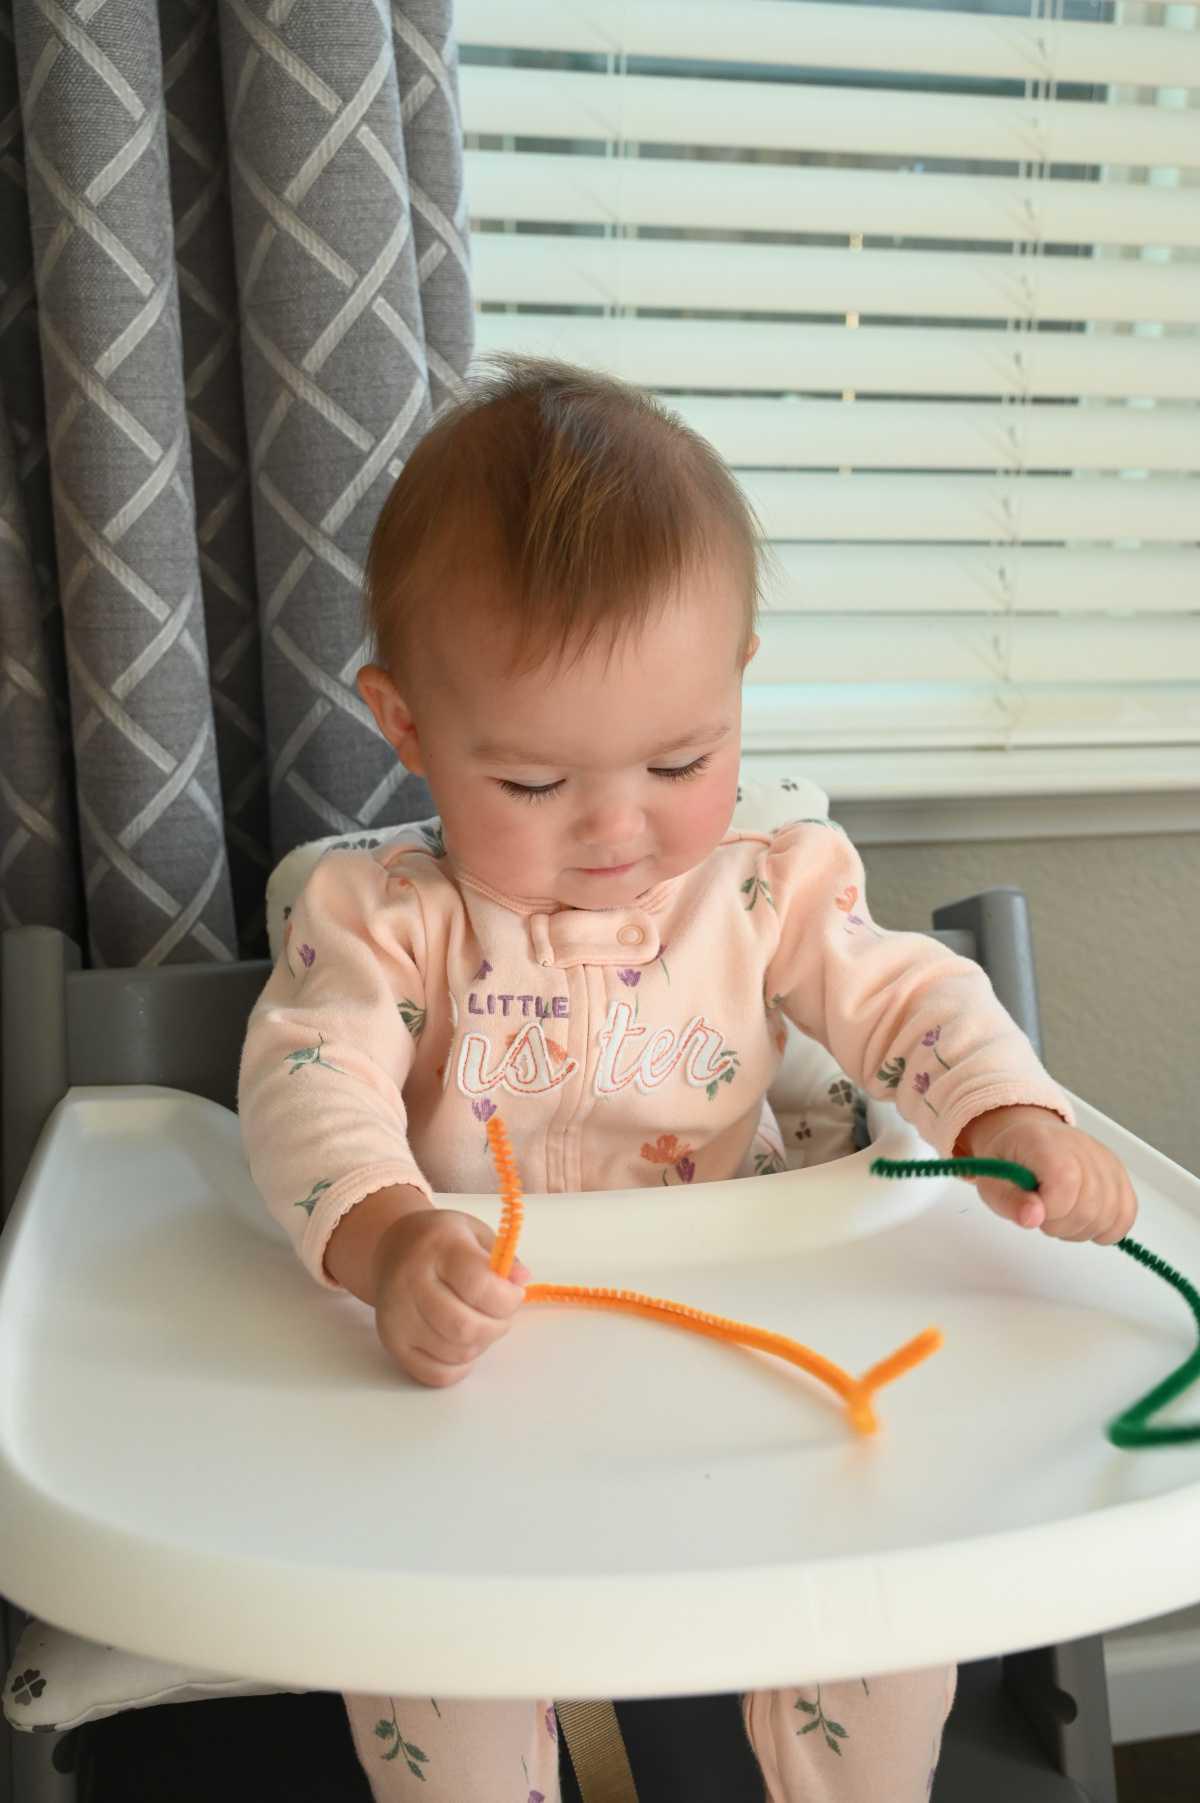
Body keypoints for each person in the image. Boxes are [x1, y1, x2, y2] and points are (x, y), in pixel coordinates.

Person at [238, 357, 1137, 1803]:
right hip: (485, 1356)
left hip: (744, 1347)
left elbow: (907, 992)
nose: (618, 830)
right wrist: (389, 1237)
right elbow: (310, 1084)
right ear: (405, 725)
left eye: (681, 759)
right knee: (410, 1623)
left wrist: (1004, 1112)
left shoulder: (766, 893)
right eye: (534, 784)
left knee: (891, 1588)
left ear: (739, 689)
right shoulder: (384, 919)